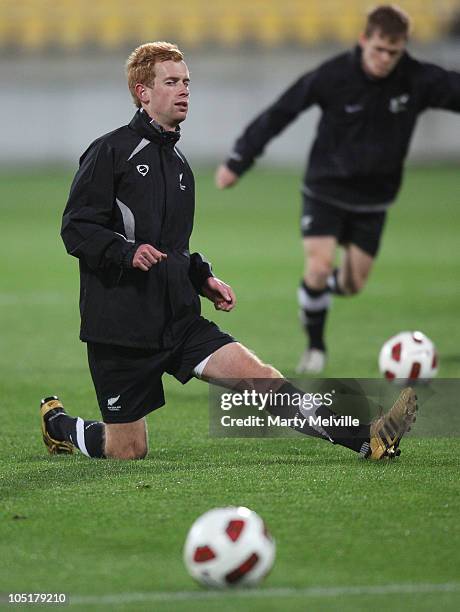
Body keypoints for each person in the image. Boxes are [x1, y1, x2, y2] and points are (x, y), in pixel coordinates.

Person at [40, 41, 417, 462]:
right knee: (127, 449)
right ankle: (58, 425)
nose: (184, 90)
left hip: (177, 319)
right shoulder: (110, 151)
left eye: (187, 82)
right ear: (142, 91)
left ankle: (368, 438)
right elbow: (76, 228)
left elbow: (175, 248)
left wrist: (202, 278)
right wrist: (125, 252)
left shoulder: (180, 165)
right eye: (171, 82)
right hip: (121, 330)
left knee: (260, 377)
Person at [215, 5, 460, 374]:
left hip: (374, 199)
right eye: (378, 49)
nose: (384, 59)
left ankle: (318, 291)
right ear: (364, 40)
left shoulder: (417, 79)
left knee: (352, 283)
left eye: (393, 53)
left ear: (403, 48)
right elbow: (282, 110)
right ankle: (315, 346)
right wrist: (239, 159)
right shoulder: (334, 75)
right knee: (317, 266)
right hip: (325, 189)